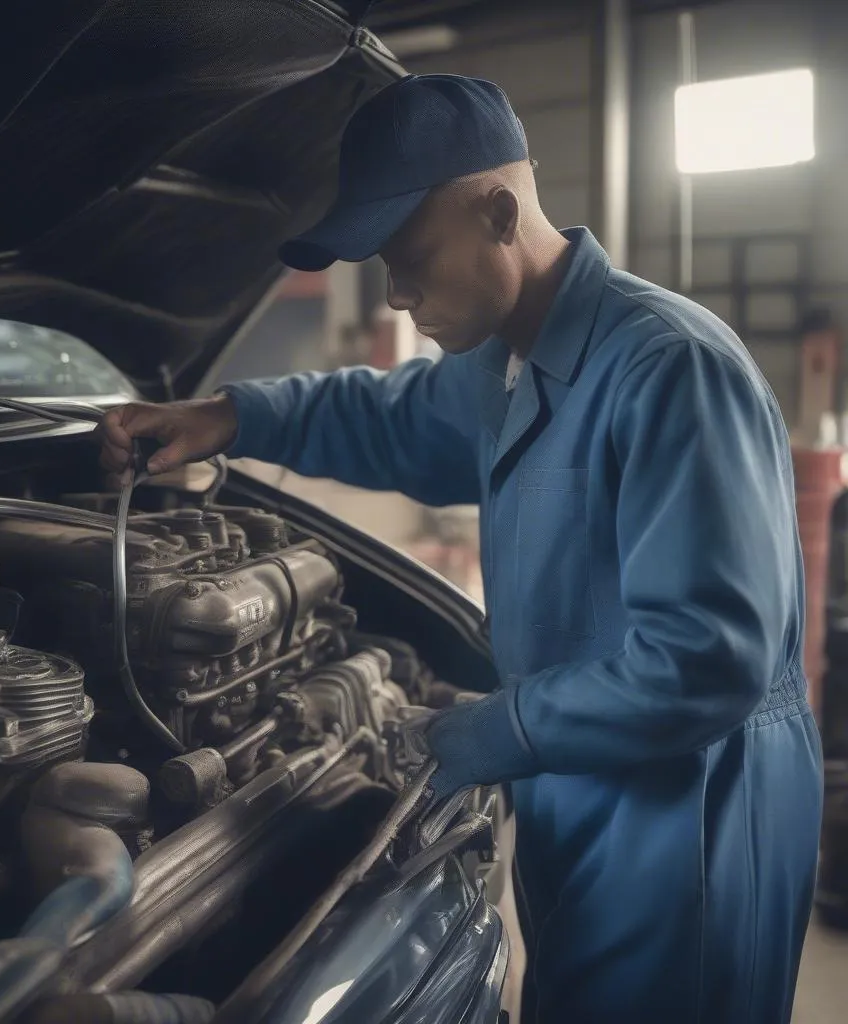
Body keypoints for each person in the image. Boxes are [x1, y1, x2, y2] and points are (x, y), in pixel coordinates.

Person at [98, 74, 823, 1023]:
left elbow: (707, 661)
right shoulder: (506, 365)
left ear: (497, 210)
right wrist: (225, 414)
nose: (397, 296)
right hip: (580, 774)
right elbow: (382, 414)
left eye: (408, 259)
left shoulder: (667, 368)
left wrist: (477, 733)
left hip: (689, 807)